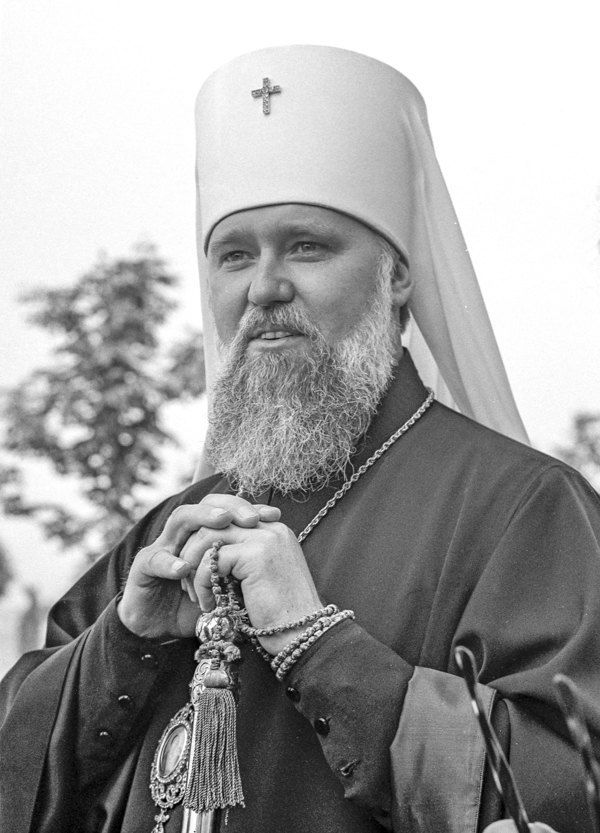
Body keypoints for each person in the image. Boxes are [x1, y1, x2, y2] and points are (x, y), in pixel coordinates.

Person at [1, 45, 600, 833]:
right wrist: (126, 641)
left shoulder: (528, 510)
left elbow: (572, 791)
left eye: (307, 245)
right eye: (235, 255)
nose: (264, 287)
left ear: (397, 277)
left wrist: (318, 646)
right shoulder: (169, 532)